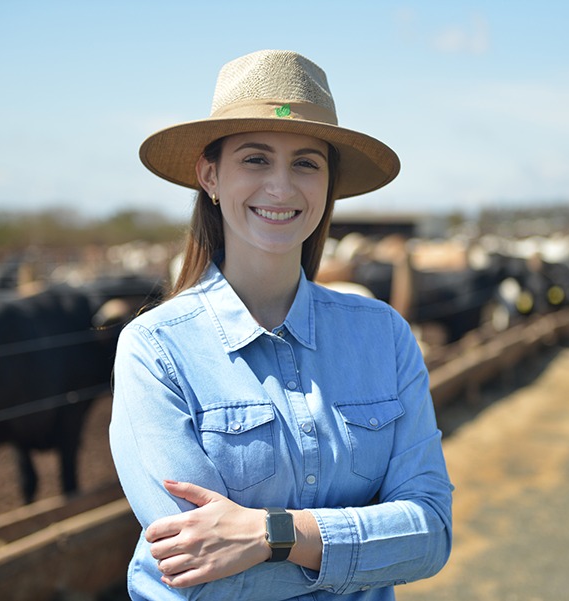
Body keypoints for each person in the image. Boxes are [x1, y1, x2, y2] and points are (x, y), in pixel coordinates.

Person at [109, 49, 453, 600]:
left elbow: (431, 534)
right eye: (254, 159)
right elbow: (199, 576)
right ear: (210, 175)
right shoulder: (156, 350)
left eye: (305, 163)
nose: (281, 187)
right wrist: (363, 546)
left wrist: (269, 534)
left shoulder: (383, 335)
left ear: (328, 184)